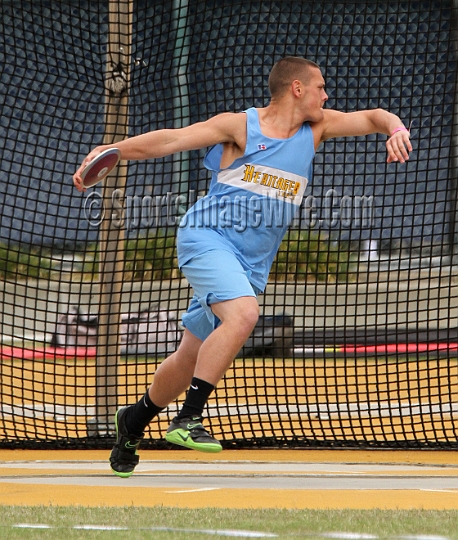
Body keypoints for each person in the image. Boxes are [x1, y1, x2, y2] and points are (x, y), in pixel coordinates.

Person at [73, 56, 412, 477]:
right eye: (320, 87)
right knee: (245, 315)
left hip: (250, 262)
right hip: (206, 238)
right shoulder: (240, 126)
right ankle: (188, 419)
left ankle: (134, 421)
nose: (327, 95)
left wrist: (396, 129)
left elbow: (375, 116)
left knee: (188, 356)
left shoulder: (318, 127)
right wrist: (116, 150)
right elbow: (171, 140)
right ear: (297, 89)